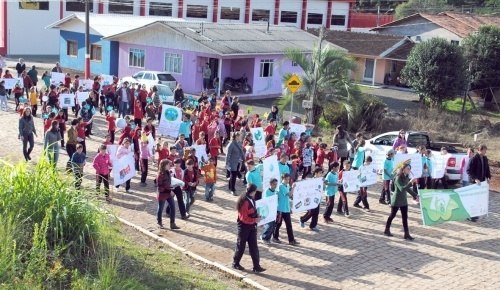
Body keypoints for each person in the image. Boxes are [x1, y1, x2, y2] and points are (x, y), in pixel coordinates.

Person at [232, 184, 266, 273]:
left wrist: (257, 217)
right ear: (253, 191)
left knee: (254, 246)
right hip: (244, 227)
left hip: (252, 226)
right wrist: (255, 219)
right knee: (241, 246)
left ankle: (256, 266)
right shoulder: (244, 201)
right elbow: (244, 218)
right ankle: (235, 263)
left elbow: (253, 211)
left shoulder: (252, 199)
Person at [384, 163, 419, 240]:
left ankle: (406, 234)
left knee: (405, 217)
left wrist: (415, 195)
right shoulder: (398, 178)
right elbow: (402, 189)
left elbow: (407, 189)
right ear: (403, 169)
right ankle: (386, 229)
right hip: (396, 200)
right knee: (392, 215)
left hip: (403, 200)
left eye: (410, 169)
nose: (409, 170)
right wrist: (410, 183)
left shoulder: (406, 177)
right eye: (408, 169)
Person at [466, 144, 491, 222]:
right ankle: (469, 215)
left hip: (481, 183)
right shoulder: (474, 158)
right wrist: (475, 179)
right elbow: (468, 170)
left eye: (485, 150)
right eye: (484, 150)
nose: (485, 152)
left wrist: (488, 177)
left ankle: (474, 215)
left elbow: (487, 169)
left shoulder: (485, 158)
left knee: (477, 199)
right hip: (474, 182)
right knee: (472, 200)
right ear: (479, 150)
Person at [273, 173, 299, 246]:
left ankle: (291, 240)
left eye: (288, 179)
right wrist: (293, 188)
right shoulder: (281, 186)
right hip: (280, 209)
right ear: (283, 179)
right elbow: (289, 194)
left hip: (286, 208)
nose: (288, 181)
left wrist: (289, 208)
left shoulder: (287, 185)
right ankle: (275, 237)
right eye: (286, 179)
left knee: (289, 225)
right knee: (278, 224)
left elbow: (288, 198)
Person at [156, 159, 180, 230]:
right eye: (168, 164)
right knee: (160, 208)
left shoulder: (168, 172)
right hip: (162, 194)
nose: (170, 165)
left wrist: (171, 188)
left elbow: (169, 182)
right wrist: (169, 191)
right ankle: (159, 222)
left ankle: (172, 224)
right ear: (164, 165)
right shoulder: (160, 174)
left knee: (173, 207)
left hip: (168, 193)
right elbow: (160, 186)